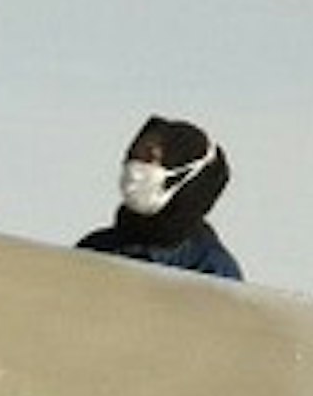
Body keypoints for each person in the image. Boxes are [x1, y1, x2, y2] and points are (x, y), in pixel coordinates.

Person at [74, 116, 244, 283]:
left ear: (182, 173)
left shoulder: (210, 268)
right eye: (132, 156)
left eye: (149, 158)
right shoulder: (95, 249)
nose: (135, 167)